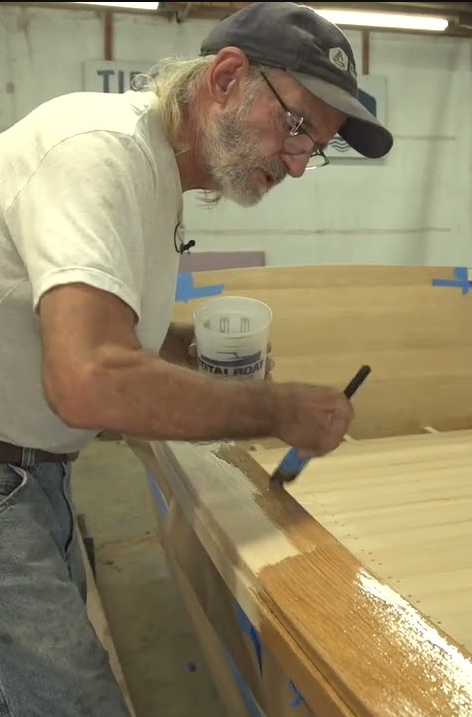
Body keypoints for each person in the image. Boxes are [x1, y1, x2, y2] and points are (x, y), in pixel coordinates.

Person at [0, 2, 393, 715]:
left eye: (318, 148)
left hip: (33, 478)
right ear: (226, 77)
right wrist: (280, 408)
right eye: (299, 126)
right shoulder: (97, 152)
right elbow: (89, 379)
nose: (300, 164)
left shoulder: (152, 170)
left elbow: (94, 325)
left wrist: (184, 342)